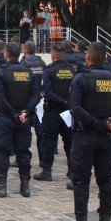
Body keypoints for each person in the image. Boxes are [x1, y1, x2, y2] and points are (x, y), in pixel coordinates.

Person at [65, 42, 111, 221]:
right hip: (106, 136)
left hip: (86, 135)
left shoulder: (81, 78)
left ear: (88, 57)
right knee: (105, 180)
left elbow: (74, 108)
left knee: (81, 180)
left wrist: (98, 123)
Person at [0, 42, 41, 198]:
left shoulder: (1, 73)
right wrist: (27, 112)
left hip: (6, 117)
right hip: (24, 119)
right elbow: (36, 95)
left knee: (3, 151)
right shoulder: (28, 73)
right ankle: (25, 187)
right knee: (23, 152)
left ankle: (1, 186)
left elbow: (0, 97)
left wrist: (14, 114)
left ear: (6, 54)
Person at [37, 45, 76, 183]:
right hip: (69, 111)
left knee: (49, 141)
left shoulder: (49, 70)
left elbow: (47, 91)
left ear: (53, 56)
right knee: (69, 141)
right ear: (63, 56)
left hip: (53, 110)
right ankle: (72, 171)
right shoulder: (73, 70)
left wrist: (62, 102)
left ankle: (47, 171)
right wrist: (68, 102)